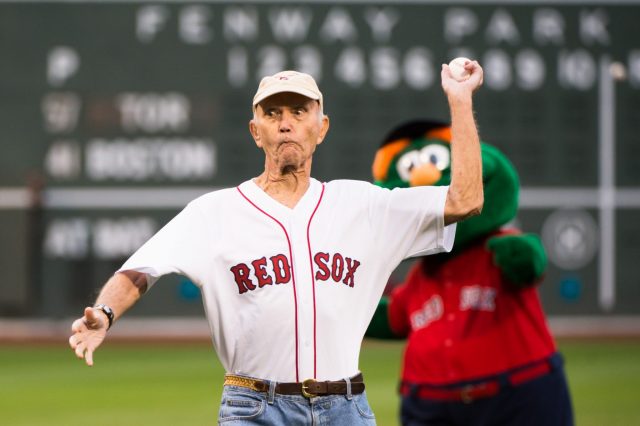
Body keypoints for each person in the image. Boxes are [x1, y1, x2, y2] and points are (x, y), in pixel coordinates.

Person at [69, 62, 484, 424]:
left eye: (299, 111)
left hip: (345, 407)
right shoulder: (214, 212)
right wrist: (104, 312)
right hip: (253, 408)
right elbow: (142, 268)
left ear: (320, 128)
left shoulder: (364, 205)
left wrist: (460, 101)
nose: (285, 122)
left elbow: (465, 200)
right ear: (256, 131)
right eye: (272, 113)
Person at [366, 119, 574, 425]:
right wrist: (332, 307)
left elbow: (529, 264)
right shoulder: (420, 280)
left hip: (516, 395)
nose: (423, 176)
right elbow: (393, 318)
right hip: (431, 403)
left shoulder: (498, 249)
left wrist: (523, 255)